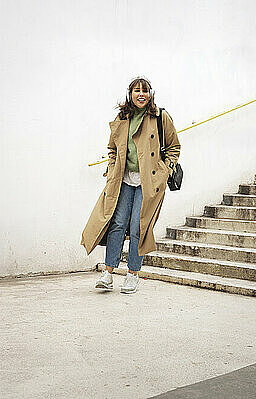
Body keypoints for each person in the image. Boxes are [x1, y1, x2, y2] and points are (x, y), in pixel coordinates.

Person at [80, 77, 181, 294]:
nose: (141, 94)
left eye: (145, 90)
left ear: (150, 94)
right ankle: (108, 273)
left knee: (139, 227)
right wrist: (113, 170)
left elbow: (174, 147)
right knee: (116, 224)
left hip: (148, 182)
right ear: (130, 94)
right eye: (137, 90)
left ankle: (133, 274)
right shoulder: (122, 117)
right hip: (124, 180)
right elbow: (113, 149)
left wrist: (165, 171)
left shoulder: (160, 117)